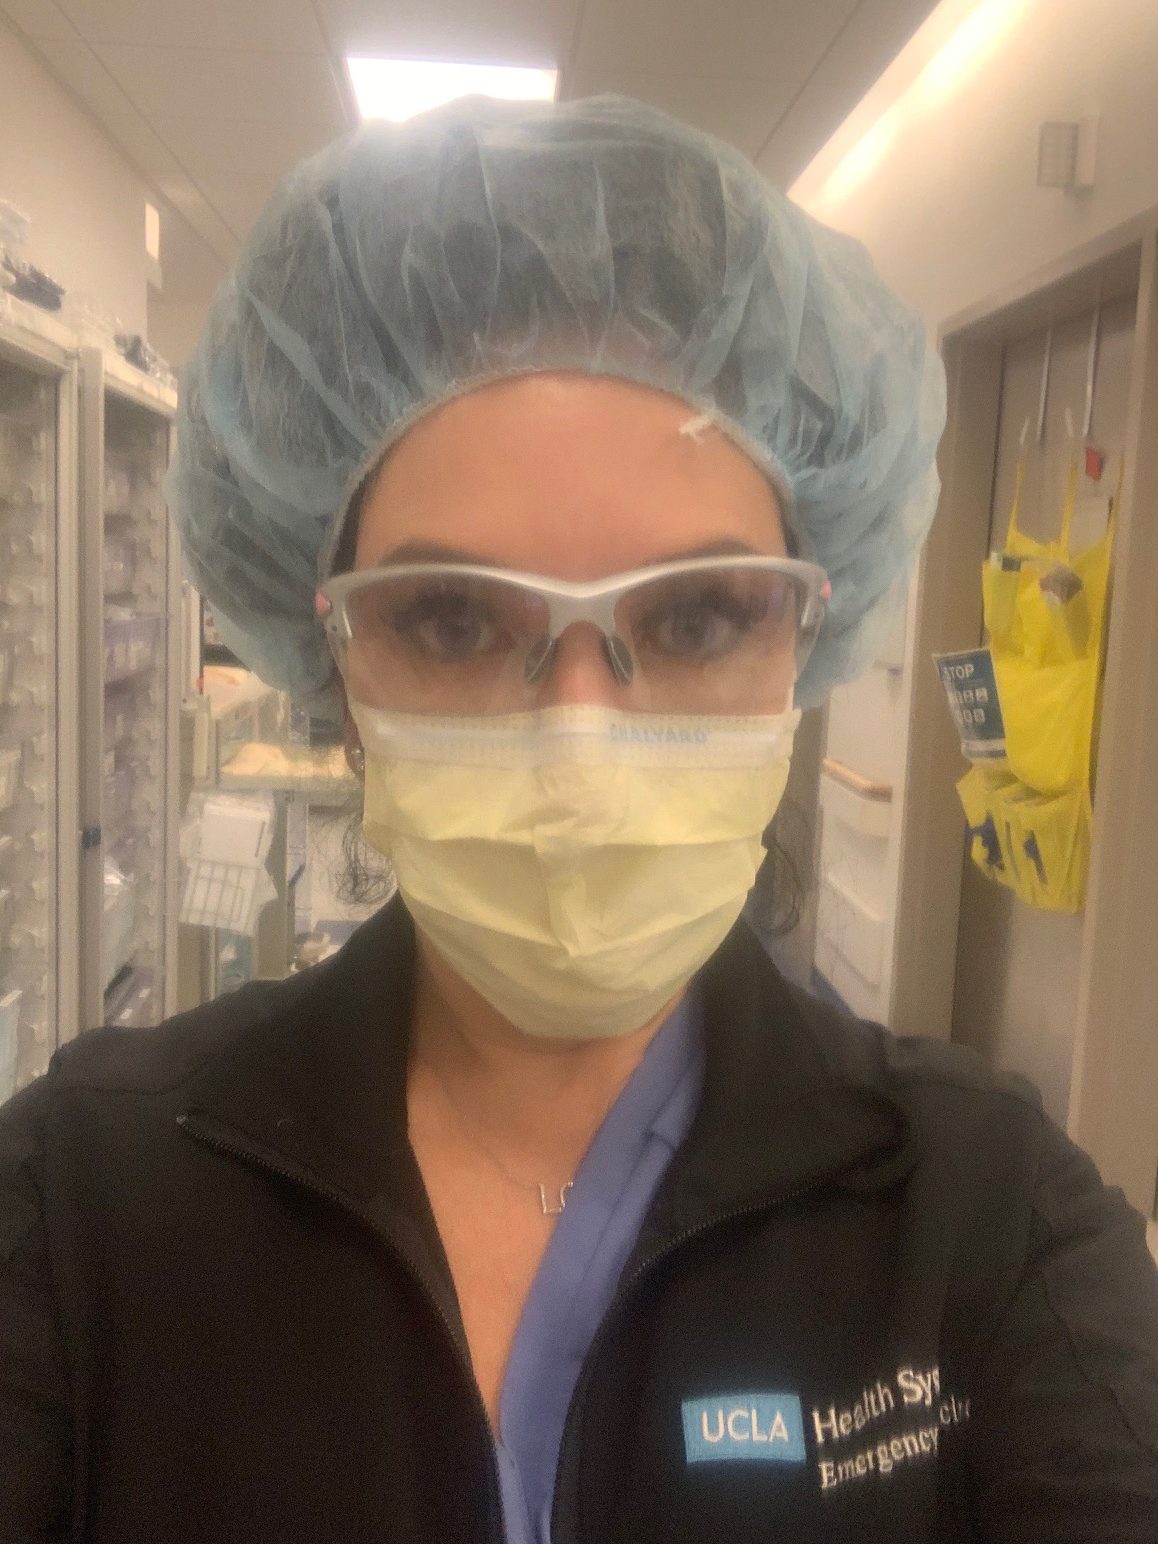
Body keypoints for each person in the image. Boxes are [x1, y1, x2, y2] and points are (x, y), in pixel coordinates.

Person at [2, 95, 1156, 1544]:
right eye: (450, 618)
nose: (578, 745)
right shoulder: (82, 1207)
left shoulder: (991, 1224)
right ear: (332, 672)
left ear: (804, 646)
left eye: (695, 616)